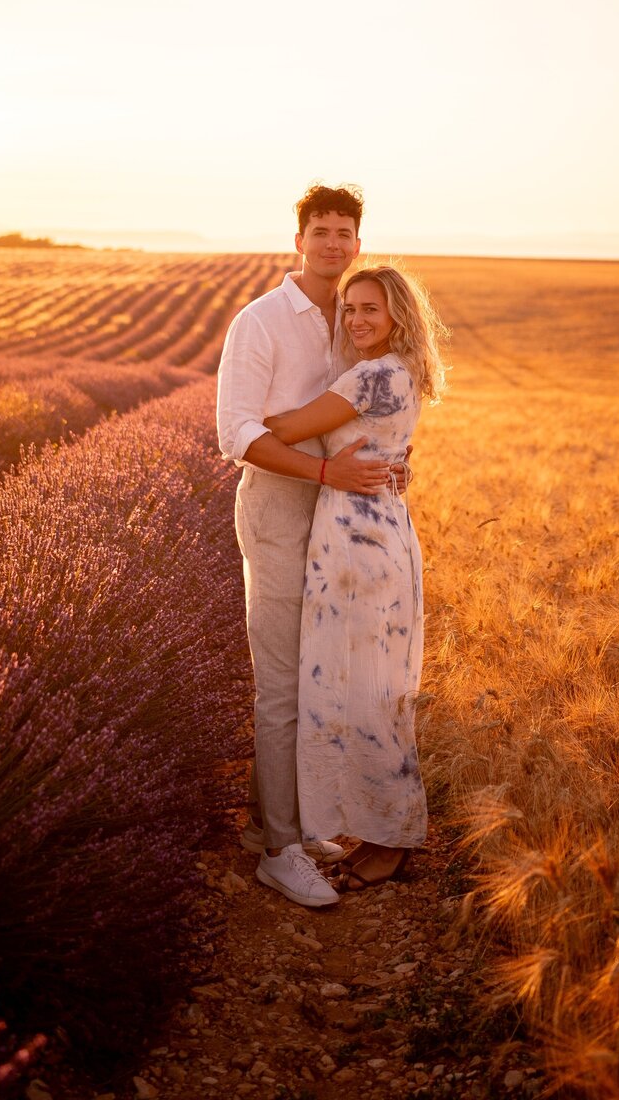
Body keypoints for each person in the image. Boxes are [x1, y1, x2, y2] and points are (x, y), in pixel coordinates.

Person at [217, 184, 396, 909]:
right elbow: (236, 435)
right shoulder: (259, 322)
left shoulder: (354, 319)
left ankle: (280, 823)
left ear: (359, 243)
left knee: (316, 676)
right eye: (319, 230)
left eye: (344, 232)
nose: (332, 243)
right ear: (298, 241)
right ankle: (281, 853)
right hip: (280, 508)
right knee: (283, 682)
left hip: (337, 513)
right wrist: (327, 470)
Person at [263, 266, 447, 890]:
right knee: (375, 683)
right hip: (375, 530)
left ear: (398, 314)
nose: (358, 319)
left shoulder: (370, 374)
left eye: (372, 308)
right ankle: (377, 828)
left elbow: (285, 431)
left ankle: (391, 839)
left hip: (359, 543)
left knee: (370, 689)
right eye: (350, 309)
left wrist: (256, 408)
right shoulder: (400, 371)